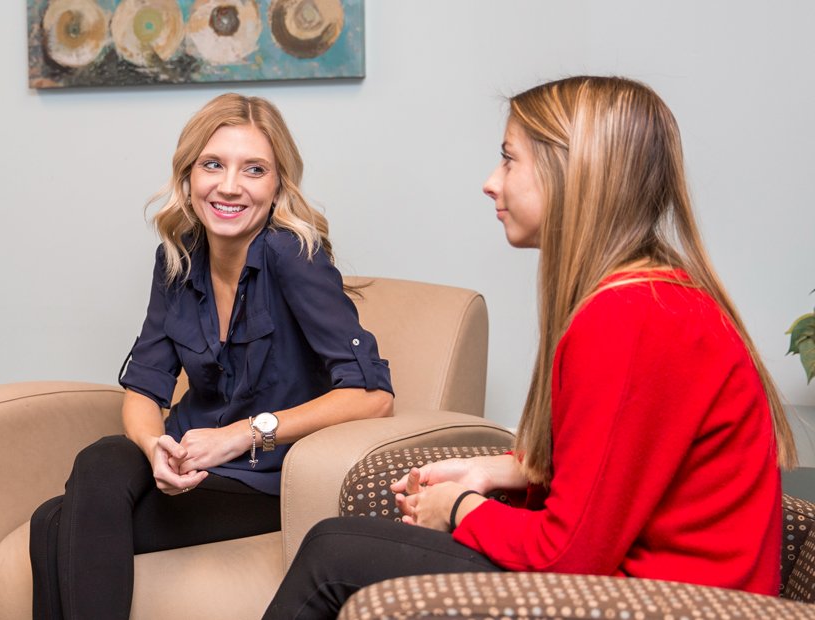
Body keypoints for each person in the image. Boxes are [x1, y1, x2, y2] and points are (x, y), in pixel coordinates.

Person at [262, 75, 796, 619]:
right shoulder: (655, 296)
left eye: (509, 160)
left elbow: (569, 553)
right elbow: (615, 470)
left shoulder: (628, 316)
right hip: (644, 585)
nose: (491, 183)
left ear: (573, 174)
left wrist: (460, 508)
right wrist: (502, 471)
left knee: (335, 554)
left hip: (670, 605)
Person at [28, 93, 395, 619]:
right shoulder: (177, 258)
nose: (229, 186)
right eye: (213, 165)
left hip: (265, 474)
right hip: (190, 459)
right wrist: (156, 448)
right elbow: (144, 388)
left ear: (277, 185)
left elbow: (373, 397)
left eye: (254, 169)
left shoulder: (294, 256)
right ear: (188, 175)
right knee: (103, 457)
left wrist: (241, 433)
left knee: (52, 523)